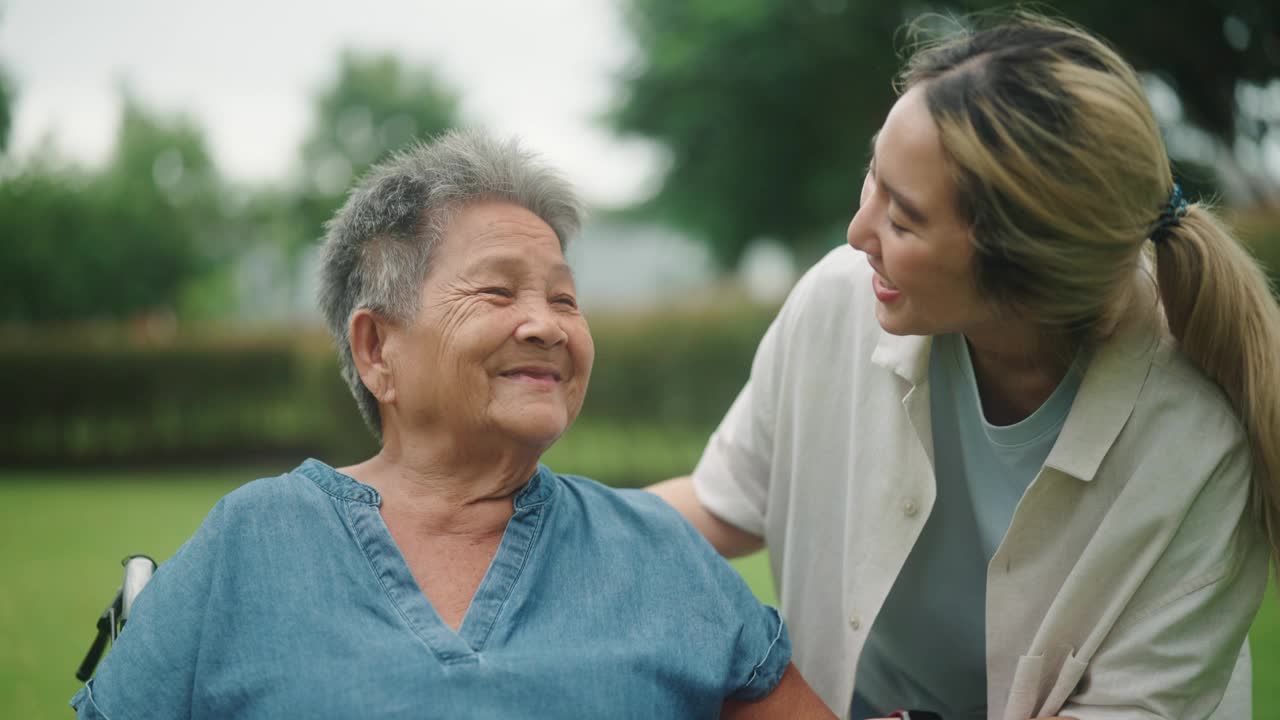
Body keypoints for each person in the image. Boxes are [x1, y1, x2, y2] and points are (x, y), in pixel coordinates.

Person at [70, 130, 834, 719]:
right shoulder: (252, 545)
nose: (547, 325)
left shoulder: (659, 555)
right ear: (376, 350)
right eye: (498, 293)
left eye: (565, 299)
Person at [650, 13, 1278, 720]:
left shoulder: (1196, 435)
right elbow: (722, 502)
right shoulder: (839, 299)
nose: (858, 233)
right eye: (873, 177)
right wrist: (541, 524)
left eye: (904, 219)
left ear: (1024, 275)